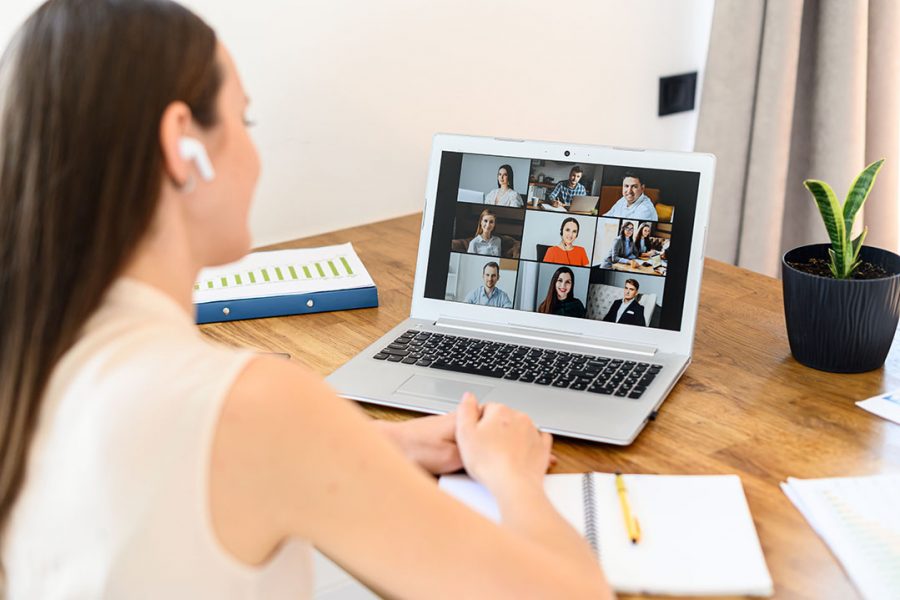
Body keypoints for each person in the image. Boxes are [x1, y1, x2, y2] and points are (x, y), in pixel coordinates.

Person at [0, 2, 612, 598]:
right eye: (245, 121)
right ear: (180, 145)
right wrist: (511, 475)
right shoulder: (255, 404)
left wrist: (374, 444)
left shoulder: (31, 359)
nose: (254, 152)